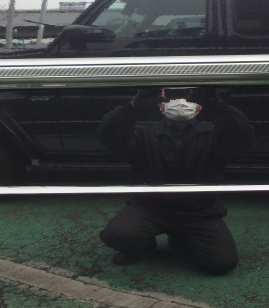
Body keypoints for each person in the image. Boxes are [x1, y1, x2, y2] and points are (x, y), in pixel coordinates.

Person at [97, 86, 254, 275]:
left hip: (198, 213)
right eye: (173, 95)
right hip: (150, 208)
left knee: (222, 263)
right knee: (117, 234)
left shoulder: (215, 136)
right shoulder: (143, 134)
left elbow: (244, 137)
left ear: (200, 105)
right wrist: (133, 106)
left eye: (188, 96)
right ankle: (143, 245)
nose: (180, 102)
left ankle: (182, 240)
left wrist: (219, 107)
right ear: (160, 105)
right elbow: (108, 135)